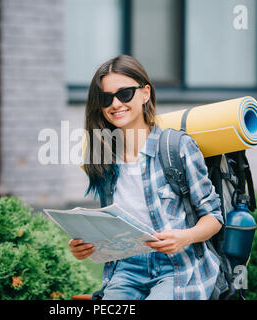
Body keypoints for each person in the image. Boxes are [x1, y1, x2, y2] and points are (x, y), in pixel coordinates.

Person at [68, 55, 223, 300]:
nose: (115, 104)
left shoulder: (177, 147)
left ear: (145, 93)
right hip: (126, 268)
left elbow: (214, 217)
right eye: (106, 98)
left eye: (125, 94)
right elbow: (114, 227)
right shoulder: (104, 157)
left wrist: (186, 237)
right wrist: (88, 246)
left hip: (179, 268)